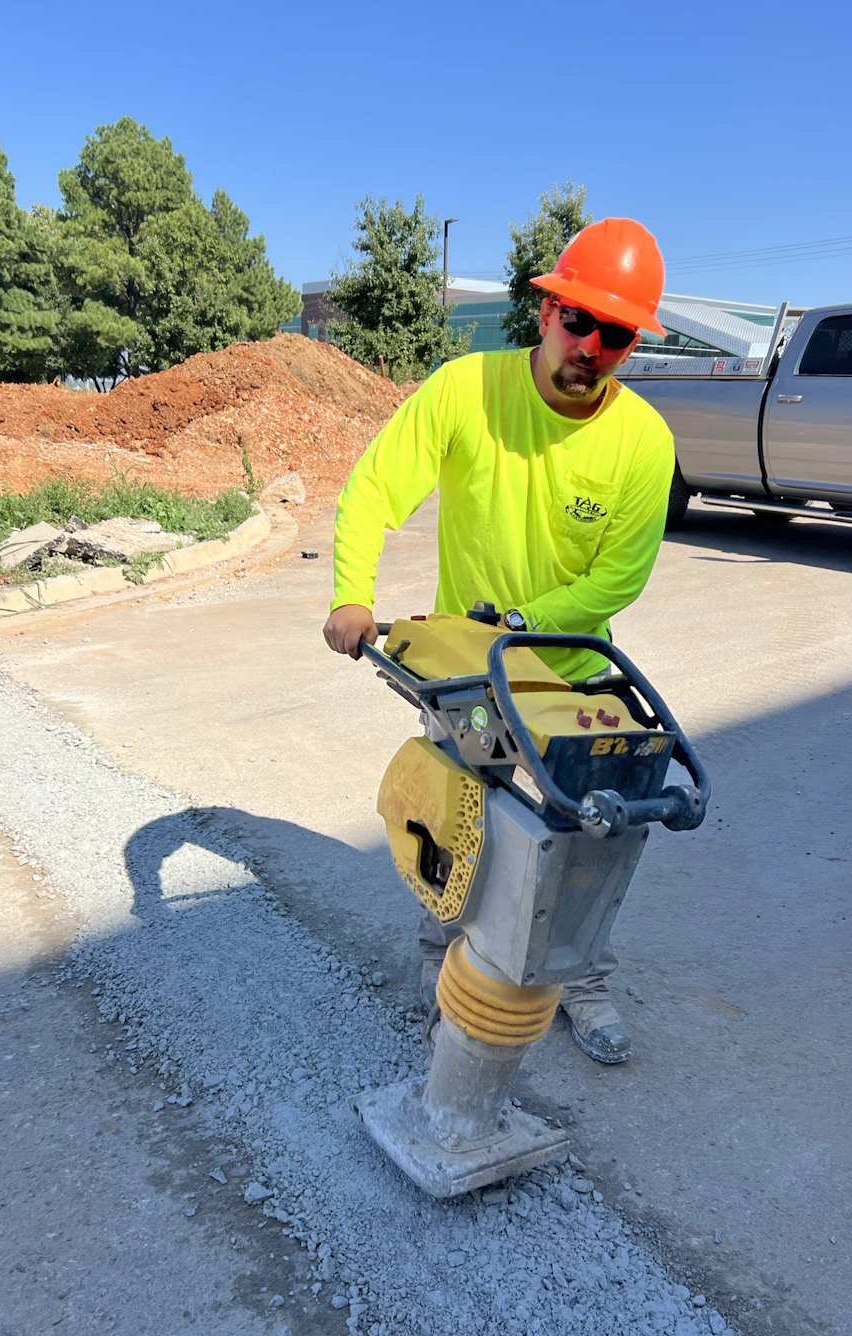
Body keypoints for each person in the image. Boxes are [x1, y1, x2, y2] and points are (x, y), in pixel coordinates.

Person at [323, 218, 675, 1064]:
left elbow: (616, 578)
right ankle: (438, 974)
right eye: (578, 321)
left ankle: (577, 983)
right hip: (468, 678)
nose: (592, 345)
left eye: (616, 334)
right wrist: (350, 597)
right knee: (454, 822)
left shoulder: (643, 442)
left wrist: (516, 626)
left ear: (631, 345)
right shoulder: (464, 390)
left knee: (589, 834)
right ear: (546, 310)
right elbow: (374, 487)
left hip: (570, 674)